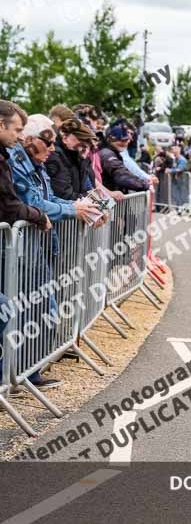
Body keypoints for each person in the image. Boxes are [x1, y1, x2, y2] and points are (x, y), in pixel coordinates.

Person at [0, 100, 59, 390]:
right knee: (11, 311)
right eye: (17, 130)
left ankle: (24, 373)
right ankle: (11, 376)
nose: (19, 137)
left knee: (33, 309)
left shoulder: (11, 157)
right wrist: (38, 214)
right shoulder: (11, 159)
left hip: (30, 247)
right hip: (14, 247)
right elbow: (14, 205)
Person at [45, 118, 97, 201]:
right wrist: (91, 201)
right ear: (65, 137)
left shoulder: (80, 156)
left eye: (86, 141)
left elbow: (89, 188)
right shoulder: (55, 156)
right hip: (68, 209)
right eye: (80, 139)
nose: (83, 145)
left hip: (80, 208)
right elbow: (63, 194)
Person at [98, 125, 151, 194]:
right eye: (121, 140)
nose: (124, 143)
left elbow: (125, 172)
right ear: (111, 139)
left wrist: (144, 182)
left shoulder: (114, 152)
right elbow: (122, 176)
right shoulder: (107, 154)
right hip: (108, 199)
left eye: (126, 140)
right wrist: (145, 185)